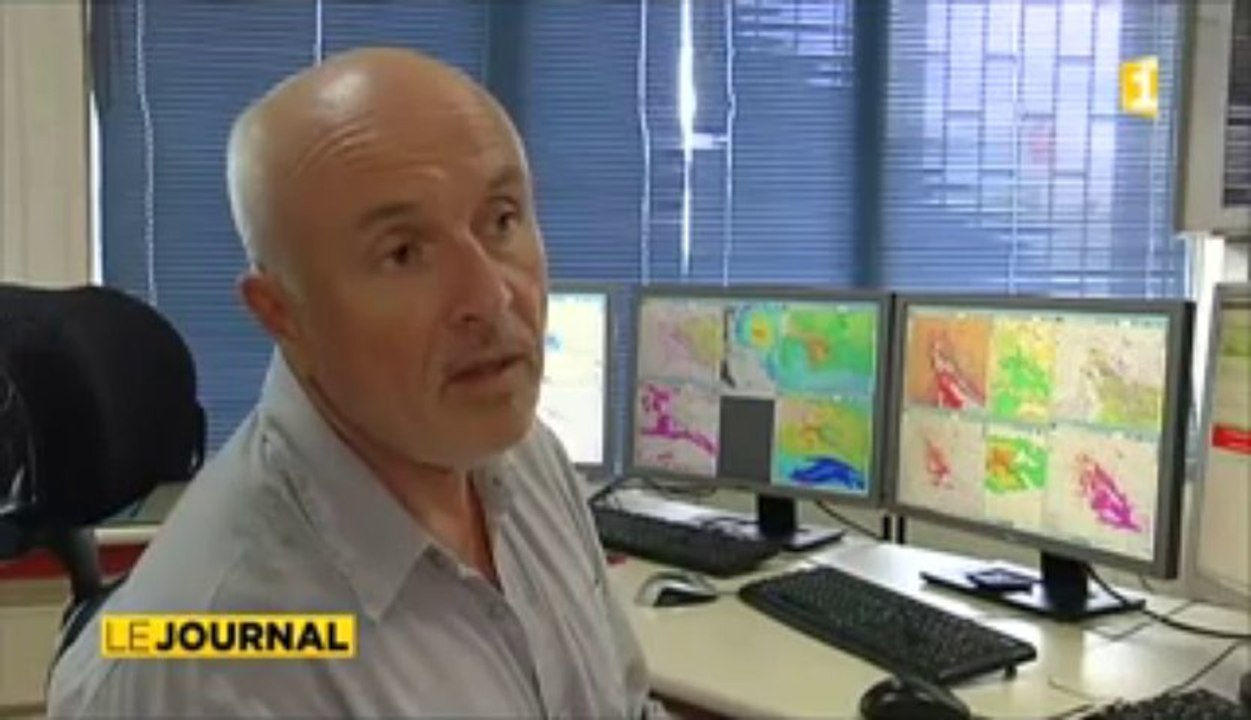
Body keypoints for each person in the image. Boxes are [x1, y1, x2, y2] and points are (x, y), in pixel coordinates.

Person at [47, 47, 662, 718]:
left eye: (502, 219)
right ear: (283, 313)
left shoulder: (520, 454)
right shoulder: (212, 668)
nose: (491, 297)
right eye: (403, 253)